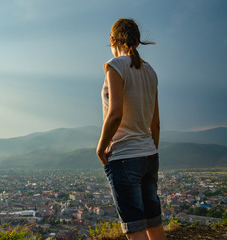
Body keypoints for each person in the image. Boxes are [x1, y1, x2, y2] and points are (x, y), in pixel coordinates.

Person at [96, 18, 167, 240]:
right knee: (153, 222)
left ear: (111, 39)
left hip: (125, 156)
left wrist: (100, 147)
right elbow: (154, 123)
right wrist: (149, 149)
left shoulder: (115, 66)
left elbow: (115, 113)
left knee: (135, 229)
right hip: (149, 154)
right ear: (137, 42)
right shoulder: (151, 71)